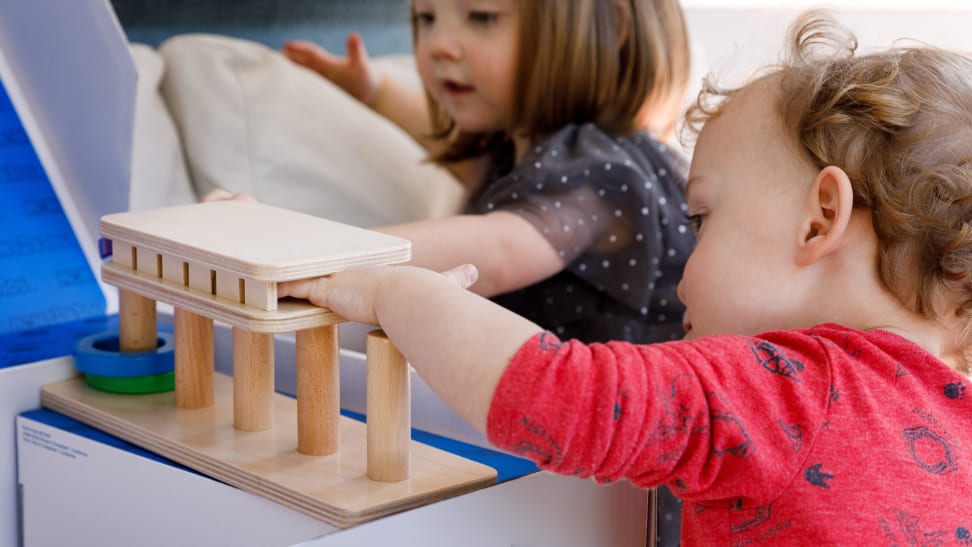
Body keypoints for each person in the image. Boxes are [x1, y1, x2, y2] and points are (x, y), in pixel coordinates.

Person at [279, 10, 972, 544]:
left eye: (700, 219)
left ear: (819, 221)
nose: (681, 272)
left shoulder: (776, 388)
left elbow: (556, 394)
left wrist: (398, 291)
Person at [258, 0, 695, 345]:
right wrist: (374, 91)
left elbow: (496, 253)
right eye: (425, 17)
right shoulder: (528, 151)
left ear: (608, 30)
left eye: (483, 16)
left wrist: (300, 259)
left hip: (610, 443)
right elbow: (444, 140)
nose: (437, 45)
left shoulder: (600, 174)